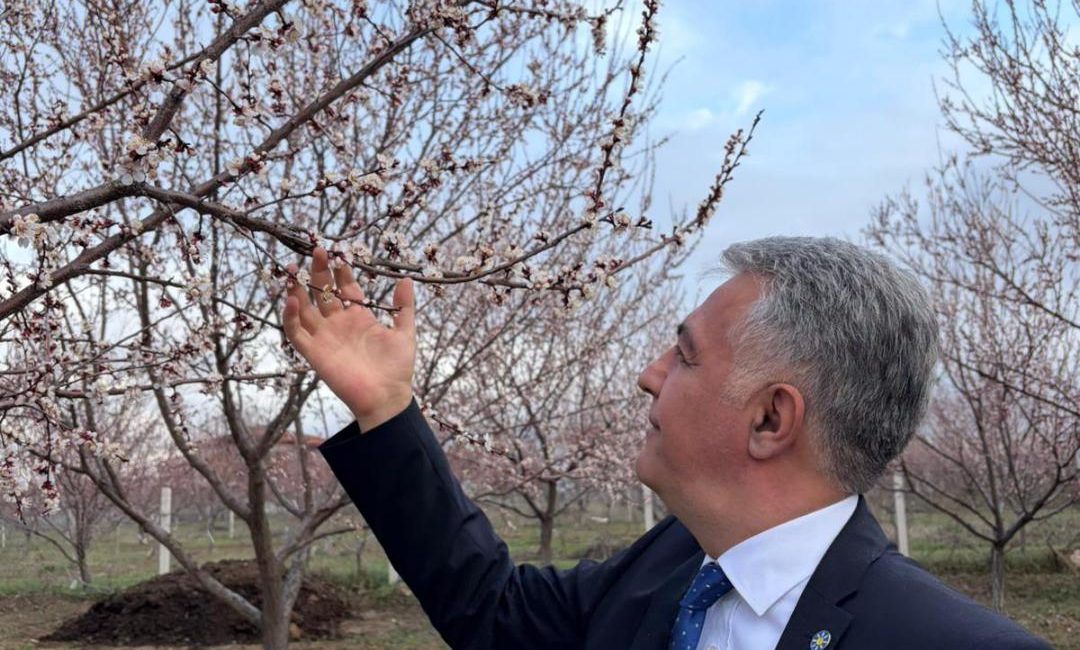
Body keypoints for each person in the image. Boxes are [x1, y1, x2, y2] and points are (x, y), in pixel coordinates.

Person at [282, 236, 1050, 650]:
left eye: (684, 354)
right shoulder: (669, 569)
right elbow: (491, 611)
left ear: (770, 420)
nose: (649, 376)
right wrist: (386, 408)